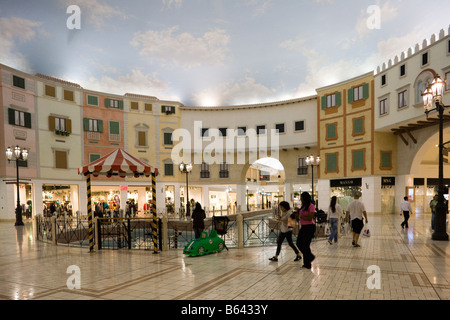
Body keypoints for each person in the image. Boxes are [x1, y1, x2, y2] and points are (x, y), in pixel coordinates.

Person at [296, 192, 316, 269]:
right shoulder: (303, 206)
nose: (301, 199)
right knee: (299, 243)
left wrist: (300, 216)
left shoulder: (311, 206)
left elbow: (310, 218)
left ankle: (307, 264)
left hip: (309, 227)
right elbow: (301, 217)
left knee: (305, 245)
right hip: (303, 226)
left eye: (301, 198)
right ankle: (310, 257)